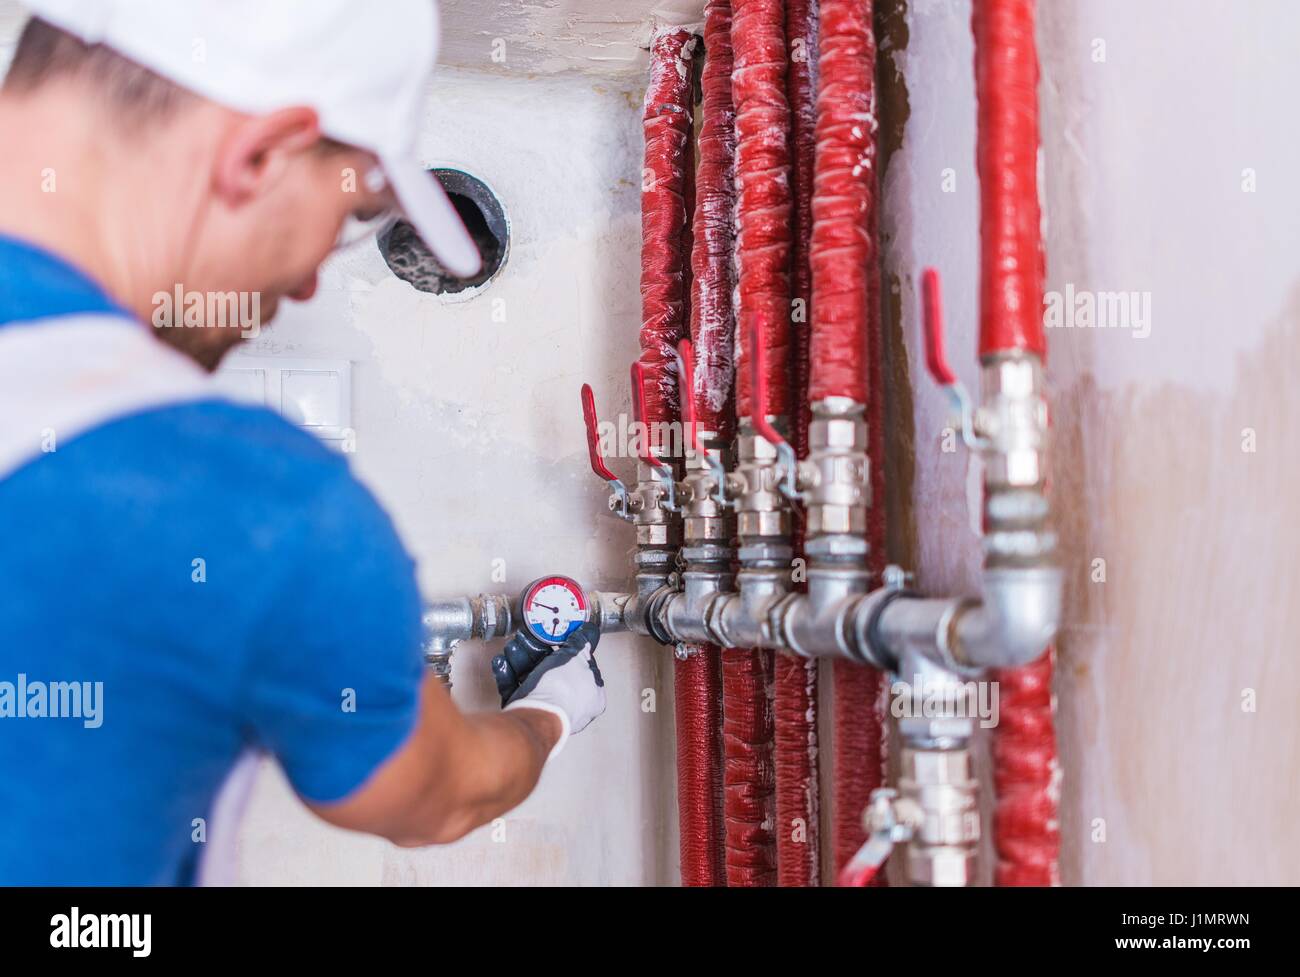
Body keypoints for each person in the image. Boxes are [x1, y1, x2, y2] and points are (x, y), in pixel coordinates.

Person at [0, 0, 605, 885]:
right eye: (356, 210)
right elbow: (438, 796)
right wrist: (553, 708)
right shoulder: (249, 498)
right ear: (262, 154)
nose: (313, 274)